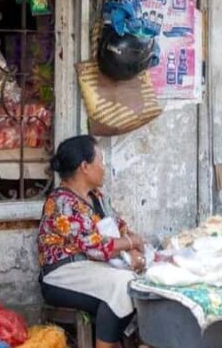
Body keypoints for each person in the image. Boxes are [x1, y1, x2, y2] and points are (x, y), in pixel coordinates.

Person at [38, 135, 145, 348]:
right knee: (121, 284)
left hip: (92, 269)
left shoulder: (95, 196)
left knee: (135, 285)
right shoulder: (62, 203)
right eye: (101, 161)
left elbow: (119, 228)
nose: (104, 167)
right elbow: (98, 247)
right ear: (85, 166)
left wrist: (132, 249)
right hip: (61, 277)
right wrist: (132, 243)